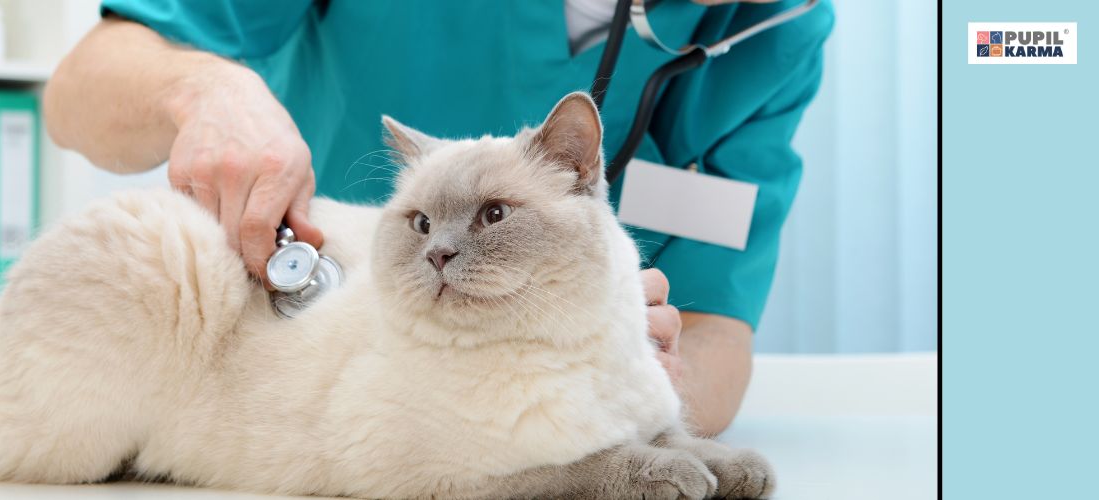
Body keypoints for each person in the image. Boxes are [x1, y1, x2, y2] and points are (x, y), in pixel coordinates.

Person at [43, 0, 834, 436]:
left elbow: (713, 328)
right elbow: (79, 91)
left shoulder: (780, 30)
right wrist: (206, 93)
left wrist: (640, 384)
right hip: (307, 368)